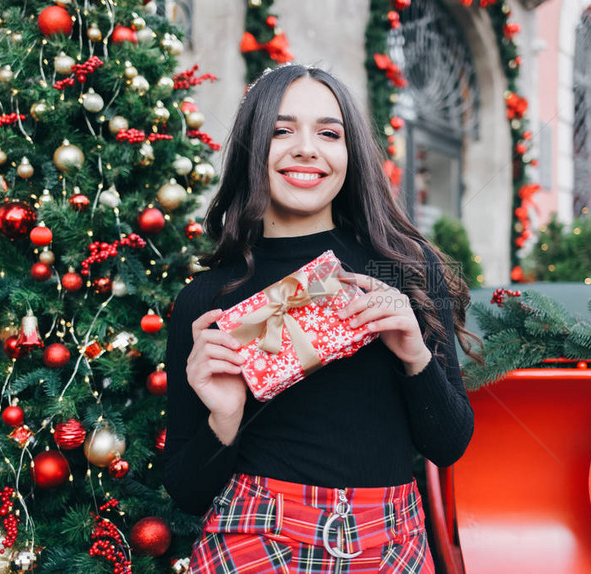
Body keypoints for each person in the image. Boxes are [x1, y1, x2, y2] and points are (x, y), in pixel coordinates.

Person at [163, 63, 481, 574]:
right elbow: (186, 491)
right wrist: (225, 419)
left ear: (349, 154)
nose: (306, 148)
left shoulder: (404, 271)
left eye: (328, 133)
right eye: (281, 131)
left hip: (390, 545)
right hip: (253, 540)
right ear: (250, 149)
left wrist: (414, 354)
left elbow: (448, 444)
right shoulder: (207, 301)